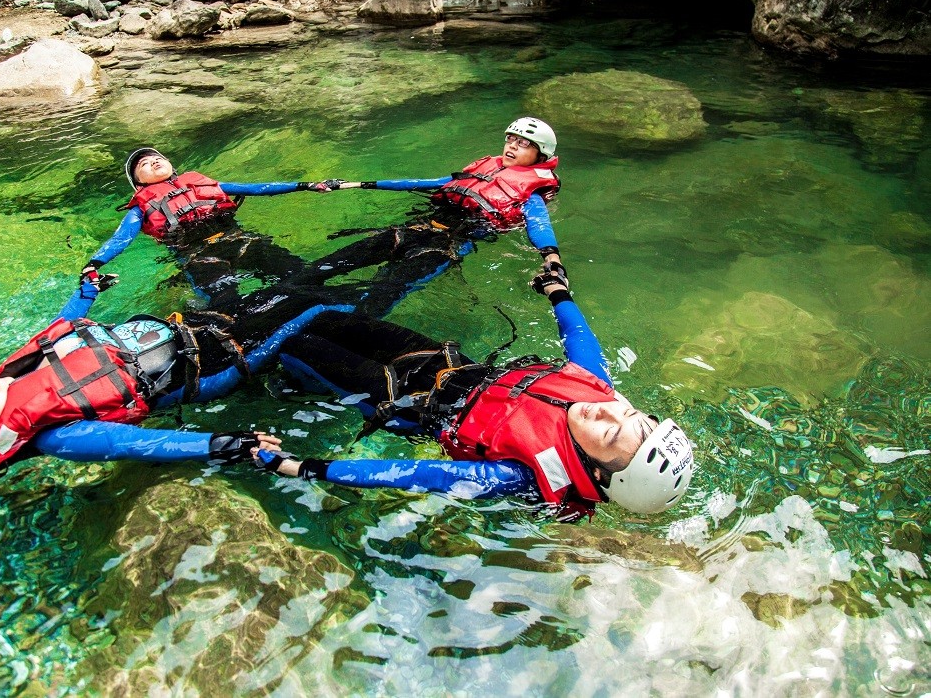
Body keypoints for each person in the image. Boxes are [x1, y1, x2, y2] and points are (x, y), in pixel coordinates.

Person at [253, 260, 695, 518]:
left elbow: (416, 474)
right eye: (628, 414)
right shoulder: (597, 394)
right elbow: (580, 337)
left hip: (401, 401)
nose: (606, 413)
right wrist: (558, 290)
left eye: (612, 435)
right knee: (325, 317)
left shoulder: (518, 476)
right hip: (441, 362)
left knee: (294, 342)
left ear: (596, 474)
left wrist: (299, 467)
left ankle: (282, 384)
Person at [0, 273, 354, 478]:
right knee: (312, 313)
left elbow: (59, 329)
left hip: (190, 329)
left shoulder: (25, 371)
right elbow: (134, 443)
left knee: (296, 290)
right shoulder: (56, 436)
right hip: (211, 369)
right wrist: (223, 443)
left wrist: (87, 290)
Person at [283, 117, 569, 302]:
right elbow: (426, 182)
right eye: (511, 139)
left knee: (386, 290)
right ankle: (280, 296)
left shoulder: (531, 193)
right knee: (328, 264)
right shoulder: (486, 168)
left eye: (523, 144)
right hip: (420, 225)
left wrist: (552, 261)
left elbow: (539, 223)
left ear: (539, 154)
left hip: (454, 241)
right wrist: (357, 184)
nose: (512, 146)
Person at [79, 147, 338, 302]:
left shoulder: (200, 184)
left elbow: (258, 188)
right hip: (196, 256)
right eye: (144, 164)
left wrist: (307, 185)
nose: (153, 162)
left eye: (157, 158)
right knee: (226, 302)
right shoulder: (141, 208)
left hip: (238, 239)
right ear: (139, 184)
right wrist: (94, 264)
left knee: (301, 273)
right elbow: (120, 239)